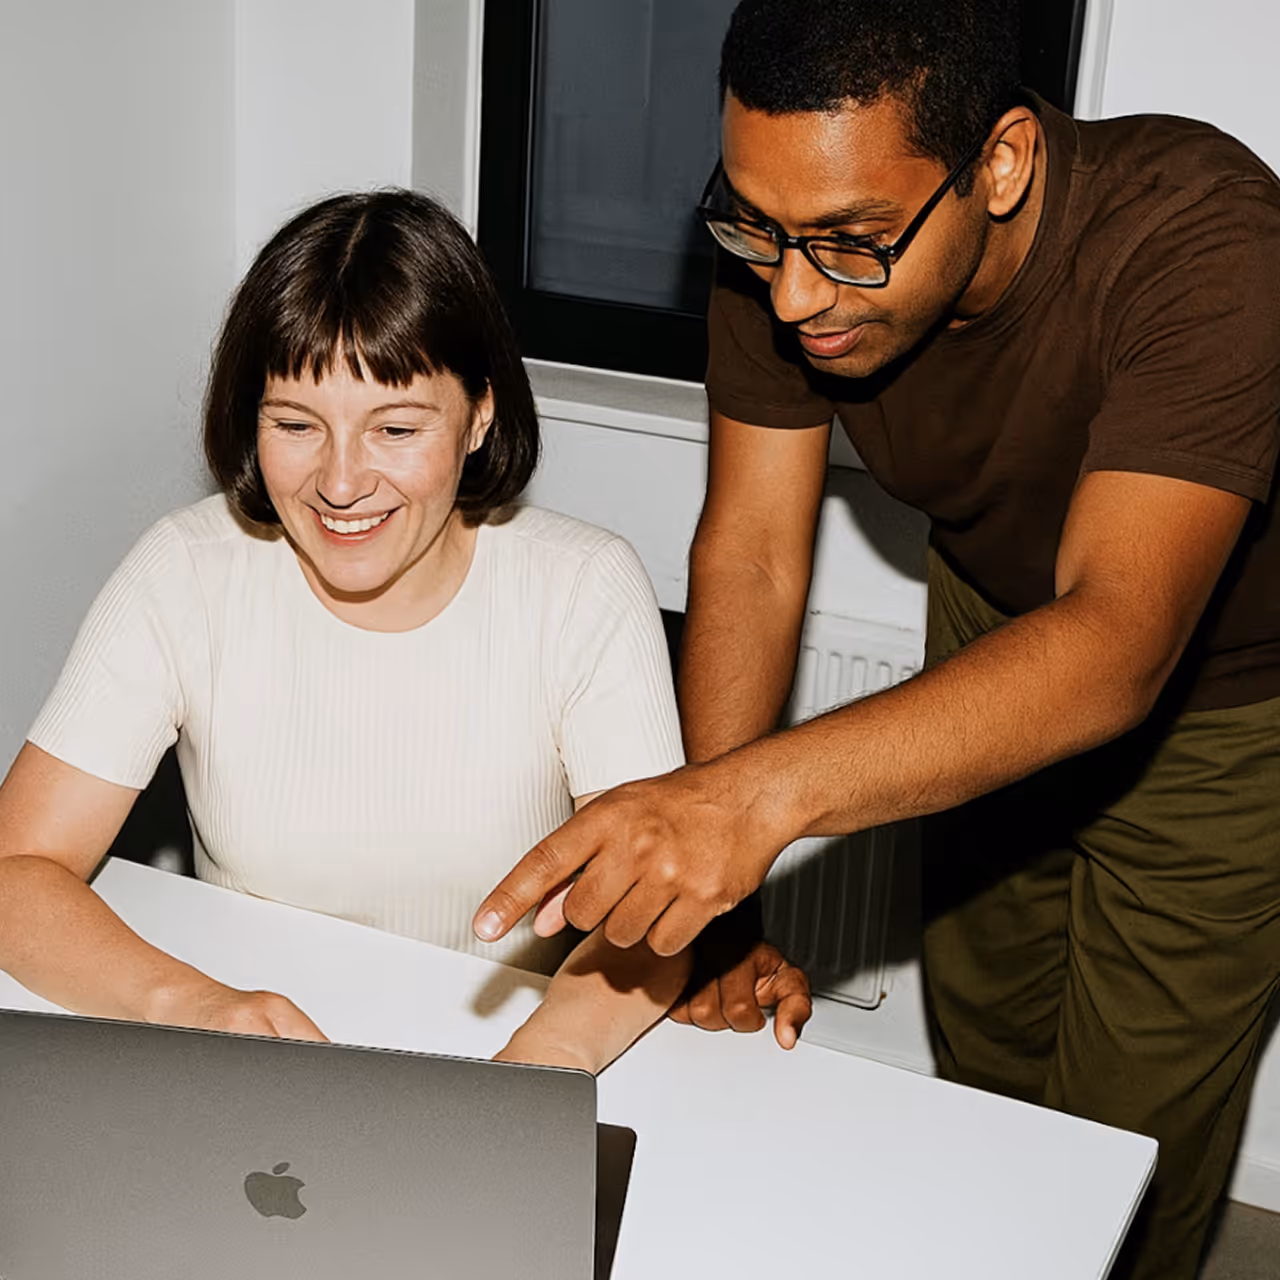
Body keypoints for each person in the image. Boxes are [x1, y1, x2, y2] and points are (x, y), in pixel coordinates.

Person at [474, 1, 1280, 1274]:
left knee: (1128, 1141)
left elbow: (1117, 637)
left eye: (849, 244)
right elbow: (750, 550)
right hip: (988, 622)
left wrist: (747, 803)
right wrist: (711, 886)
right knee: (987, 1046)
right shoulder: (792, 213)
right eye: (761, 232)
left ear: (1000, 164)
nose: (793, 294)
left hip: (1222, 701)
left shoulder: (1205, 239)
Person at [0, 188, 695, 1076]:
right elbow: (17, 866)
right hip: (252, 1069)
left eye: (396, 428)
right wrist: (189, 1005)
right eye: (294, 424)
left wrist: (525, 1080)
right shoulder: (184, 569)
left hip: (506, 1053)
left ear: (481, 415)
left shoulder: (587, 590)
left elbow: (654, 923)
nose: (339, 482)